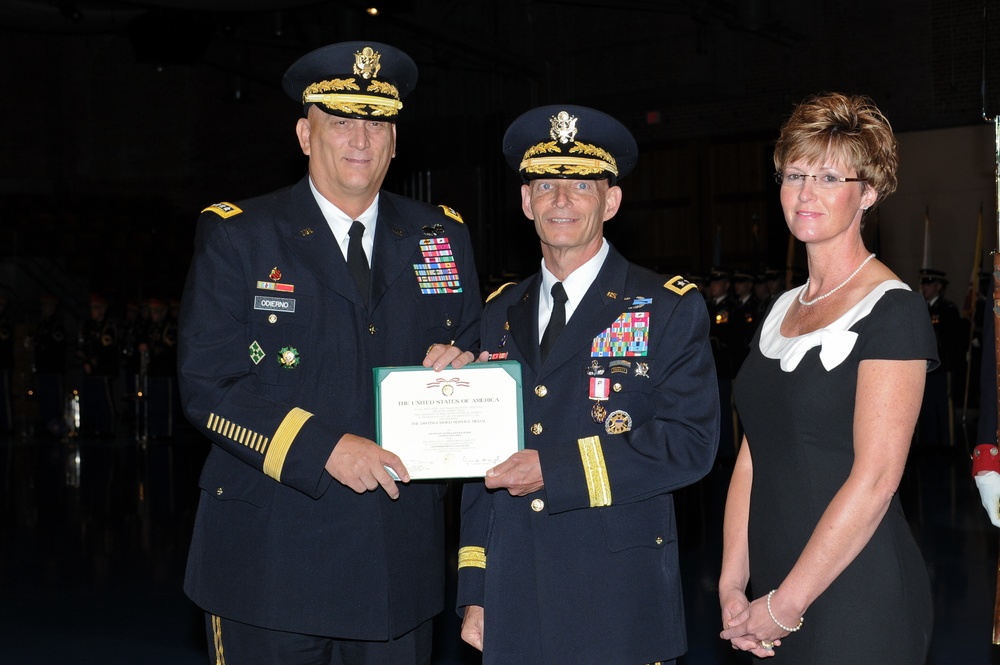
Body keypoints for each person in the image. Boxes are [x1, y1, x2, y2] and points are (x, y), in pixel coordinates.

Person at [177, 41, 482, 664]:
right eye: (340, 121)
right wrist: (326, 448)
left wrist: (468, 371)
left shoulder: (442, 236)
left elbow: (471, 348)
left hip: (397, 563)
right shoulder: (240, 235)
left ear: (396, 142)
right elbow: (207, 387)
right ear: (303, 133)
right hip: (269, 561)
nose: (359, 140)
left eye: (376, 123)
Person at [457, 104, 719, 665]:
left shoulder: (666, 307)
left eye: (580, 185)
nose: (561, 200)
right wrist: (475, 591)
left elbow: (690, 446)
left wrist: (554, 470)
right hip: (514, 592)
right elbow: (480, 462)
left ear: (611, 201)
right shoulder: (498, 311)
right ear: (526, 202)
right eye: (546, 185)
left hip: (617, 600)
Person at [718, 92, 936, 663]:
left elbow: (877, 478)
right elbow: (751, 453)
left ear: (868, 193)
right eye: (795, 174)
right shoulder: (780, 308)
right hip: (770, 585)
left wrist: (784, 606)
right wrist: (732, 580)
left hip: (853, 592)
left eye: (828, 176)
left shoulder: (894, 310)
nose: (806, 192)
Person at [917, 268, 962, 446]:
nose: (924, 288)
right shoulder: (920, 308)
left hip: (943, 366)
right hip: (924, 367)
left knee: (943, 404)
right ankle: (928, 443)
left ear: (938, 286)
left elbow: (952, 339)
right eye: (923, 284)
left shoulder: (947, 309)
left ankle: (947, 442)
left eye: (928, 284)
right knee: (926, 405)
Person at [76, 293, 118, 437]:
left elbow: (106, 349)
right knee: (90, 399)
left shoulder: (108, 326)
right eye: (92, 308)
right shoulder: (89, 325)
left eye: (96, 308)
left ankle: (107, 429)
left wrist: (93, 361)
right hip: (90, 369)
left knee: (104, 400)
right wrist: (85, 360)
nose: (92, 311)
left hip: (103, 369)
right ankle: (91, 427)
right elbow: (84, 344)